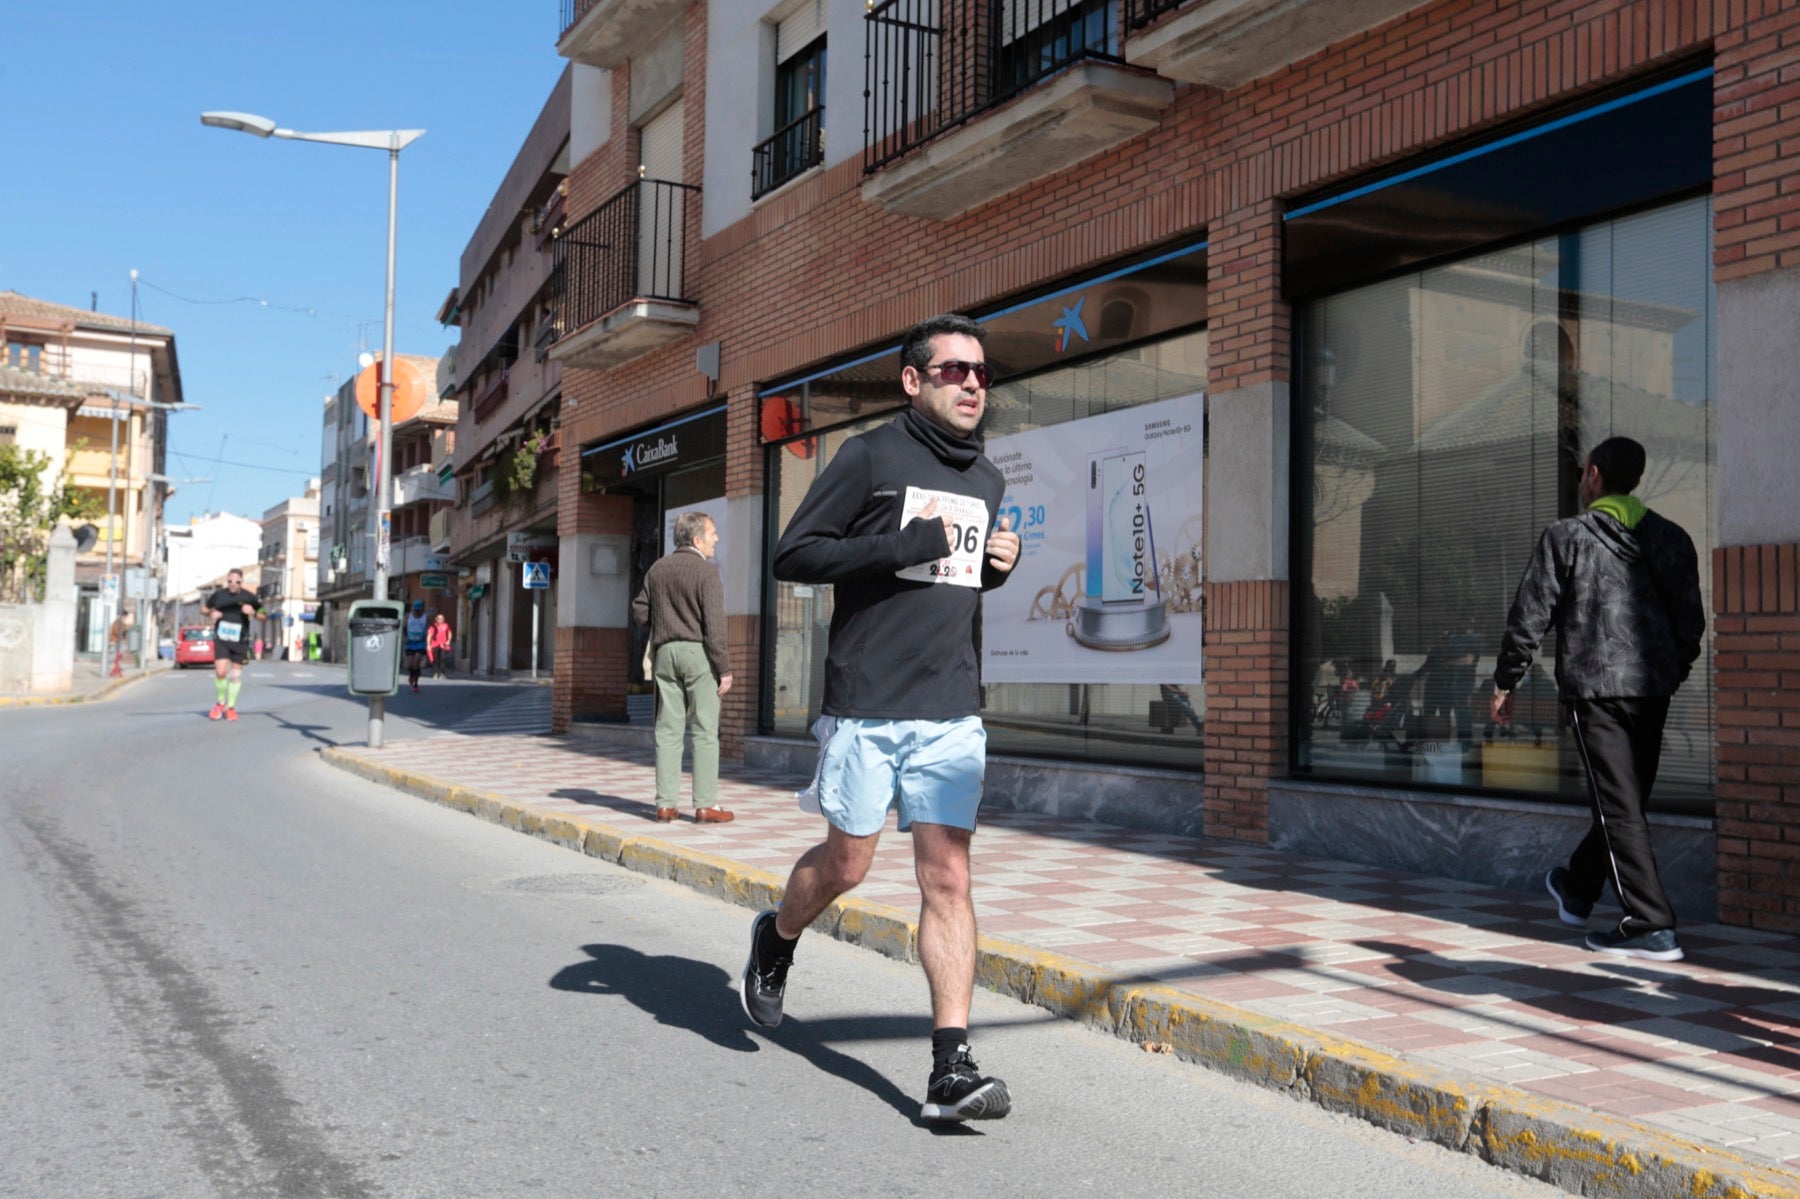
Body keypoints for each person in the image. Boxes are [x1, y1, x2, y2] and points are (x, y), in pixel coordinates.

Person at [741, 313, 1022, 1124]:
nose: (973, 383)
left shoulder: (989, 478)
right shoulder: (867, 457)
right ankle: (777, 937)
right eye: (954, 371)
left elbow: (952, 582)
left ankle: (951, 1065)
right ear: (913, 381)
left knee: (948, 877)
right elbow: (794, 553)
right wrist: (896, 544)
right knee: (849, 865)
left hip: (949, 705)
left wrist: (996, 572)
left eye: (982, 373)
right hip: (866, 701)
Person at [1491, 436, 1704, 962]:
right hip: (1653, 690)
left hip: (1597, 690)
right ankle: (1579, 887)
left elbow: (1530, 615)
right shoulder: (1672, 538)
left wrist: (1504, 682)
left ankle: (1649, 924)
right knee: (1624, 803)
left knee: (1618, 806)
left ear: (1592, 475)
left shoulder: (1567, 537)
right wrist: (1670, 673)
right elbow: (1691, 625)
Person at [630, 512, 734, 824]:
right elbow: (714, 627)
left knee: (668, 729)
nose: (716, 539)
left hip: (665, 653)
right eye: (713, 533)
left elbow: (639, 611)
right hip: (698, 653)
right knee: (704, 729)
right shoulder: (707, 572)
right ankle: (705, 805)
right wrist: (724, 669)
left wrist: (662, 620)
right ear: (697, 539)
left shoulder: (657, 569)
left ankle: (665, 804)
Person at [202, 570, 265, 721]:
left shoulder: (249, 597)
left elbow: (264, 615)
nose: (233, 584)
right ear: (227, 581)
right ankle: (220, 703)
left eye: (236, 582)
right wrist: (211, 613)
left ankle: (230, 708)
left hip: (240, 640)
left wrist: (254, 613)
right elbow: (203, 608)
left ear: (241, 582)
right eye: (230, 581)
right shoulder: (219, 595)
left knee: (235, 675)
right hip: (221, 638)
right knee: (220, 672)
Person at [403, 600, 430, 693]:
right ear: (413, 609)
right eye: (416, 610)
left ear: (422, 609)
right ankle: (411, 675)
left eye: (419, 610)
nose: (417, 612)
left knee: (416, 664)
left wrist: (428, 637)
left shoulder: (426, 617)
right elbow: (402, 628)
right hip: (410, 643)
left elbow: (429, 629)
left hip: (420, 643)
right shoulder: (407, 617)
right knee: (410, 665)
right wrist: (404, 638)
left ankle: (416, 684)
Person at [427, 612, 453, 678]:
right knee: (435, 659)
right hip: (435, 645)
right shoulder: (433, 626)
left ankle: (442, 673)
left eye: (442, 618)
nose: (441, 620)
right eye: (439, 618)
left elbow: (449, 632)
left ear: (444, 619)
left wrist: (449, 640)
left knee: (443, 658)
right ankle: (436, 672)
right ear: (436, 619)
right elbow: (429, 636)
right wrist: (428, 645)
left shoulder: (446, 625)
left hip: (443, 645)